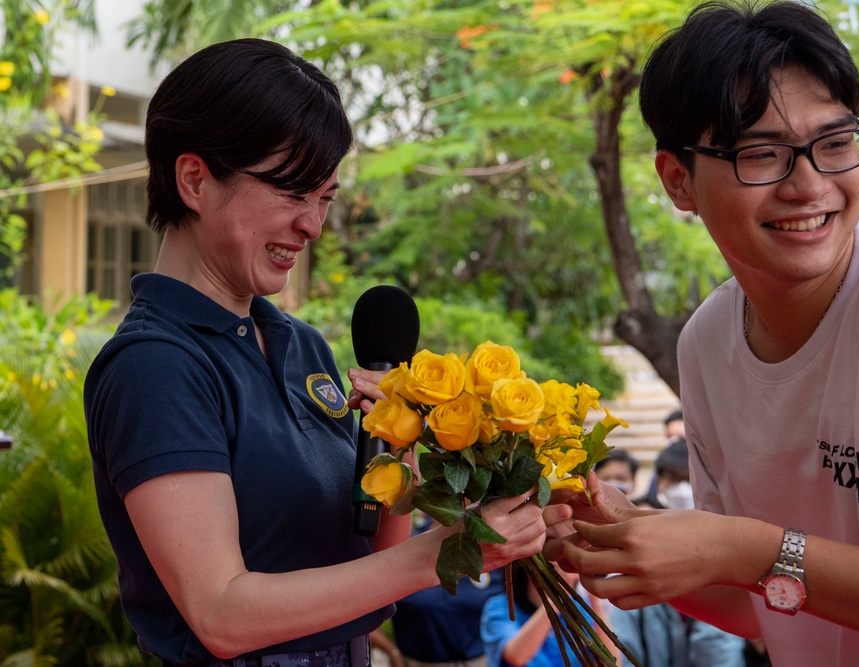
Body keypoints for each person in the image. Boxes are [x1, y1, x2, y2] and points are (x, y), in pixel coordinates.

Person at [544, 1, 859, 665]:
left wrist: (748, 548)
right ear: (678, 181)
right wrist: (627, 536)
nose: (810, 185)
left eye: (836, 143)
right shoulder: (706, 343)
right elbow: (758, 602)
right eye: (762, 153)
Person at [83, 38, 547, 667]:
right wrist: (444, 549)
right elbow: (221, 613)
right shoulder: (156, 364)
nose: (313, 225)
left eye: (324, 198)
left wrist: (411, 449)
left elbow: (375, 566)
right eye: (292, 191)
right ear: (193, 179)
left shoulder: (301, 345)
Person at [594, 446, 746, 667]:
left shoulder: (724, 564)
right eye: (674, 479)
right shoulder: (627, 580)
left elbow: (722, 654)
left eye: (688, 479)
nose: (683, 489)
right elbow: (623, 651)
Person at [381, 511, 505, 667]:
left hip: (482, 661)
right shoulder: (408, 548)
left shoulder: (490, 548)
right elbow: (366, 599)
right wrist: (391, 650)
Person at [479, 562, 612, 667]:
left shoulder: (578, 608)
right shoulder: (500, 606)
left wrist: (595, 599)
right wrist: (557, 597)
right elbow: (516, 657)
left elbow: (613, 661)